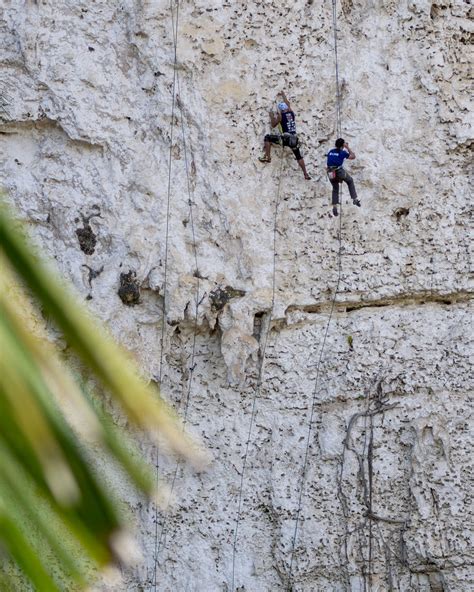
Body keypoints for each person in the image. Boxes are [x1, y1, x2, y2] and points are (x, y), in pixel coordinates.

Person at [258, 91, 311, 180]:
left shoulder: (281, 116)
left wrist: (271, 116)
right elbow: (288, 103)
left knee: (267, 138)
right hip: (294, 139)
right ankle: (305, 173)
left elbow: (273, 124)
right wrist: (283, 94)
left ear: (280, 110)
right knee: (298, 156)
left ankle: (267, 156)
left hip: (285, 139)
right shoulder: (291, 113)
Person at [326, 138, 360, 216]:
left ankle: (334, 206)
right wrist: (347, 147)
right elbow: (353, 156)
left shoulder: (331, 151)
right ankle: (354, 199)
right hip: (338, 171)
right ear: (342, 145)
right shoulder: (342, 152)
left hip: (330, 172)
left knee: (335, 188)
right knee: (350, 181)